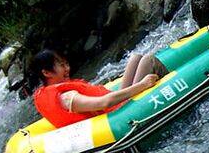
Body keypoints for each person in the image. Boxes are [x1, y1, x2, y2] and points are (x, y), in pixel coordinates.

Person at [31, 49, 162, 128]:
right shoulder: (66, 97)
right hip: (119, 115)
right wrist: (142, 85)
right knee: (149, 61)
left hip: (116, 108)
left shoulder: (55, 91)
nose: (67, 69)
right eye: (61, 65)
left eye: (66, 64)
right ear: (47, 73)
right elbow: (104, 103)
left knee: (136, 58)